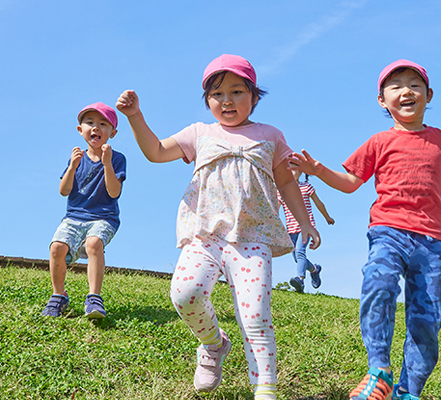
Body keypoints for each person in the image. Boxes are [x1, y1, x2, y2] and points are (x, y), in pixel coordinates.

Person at [116, 54, 320, 400]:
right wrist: (135, 116)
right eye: (217, 94)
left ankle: (265, 390)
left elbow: (286, 183)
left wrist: (304, 222)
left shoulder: (270, 135)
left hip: (252, 239)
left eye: (238, 92)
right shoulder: (200, 133)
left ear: (255, 97)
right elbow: (155, 151)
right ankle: (213, 344)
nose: (227, 100)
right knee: (185, 293)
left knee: (255, 316)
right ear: (207, 100)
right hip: (205, 235)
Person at [291, 60, 441, 400]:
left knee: (427, 321)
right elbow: (350, 182)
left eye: (415, 85)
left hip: (432, 242)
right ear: (382, 101)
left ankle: (409, 390)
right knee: (379, 285)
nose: (406, 91)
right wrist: (318, 169)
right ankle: (379, 371)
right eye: (396, 85)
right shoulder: (379, 141)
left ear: (428, 96)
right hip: (389, 231)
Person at [41, 102, 126, 320]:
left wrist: (107, 165)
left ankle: (94, 297)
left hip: (104, 217)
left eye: (103, 124)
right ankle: (58, 296)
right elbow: (64, 191)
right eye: (90, 123)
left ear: (112, 133)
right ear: (80, 130)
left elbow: (114, 192)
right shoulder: (76, 158)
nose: (95, 128)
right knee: (57, 247)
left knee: (94, 244)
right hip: (74, 216)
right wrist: (71, 167)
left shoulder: (117, 159)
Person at [278, 170, 334, 293]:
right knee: (296, 257)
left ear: (301, 171)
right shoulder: (282, 190)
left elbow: (318, 203)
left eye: (295, 168)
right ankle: (314, 270)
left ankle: (300, 279)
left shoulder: (306, 187)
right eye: (289, 168)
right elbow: (276, 209)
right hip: (291, 228)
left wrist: (327, 217)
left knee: (300, 252)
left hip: (307, 227)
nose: (292, 171)